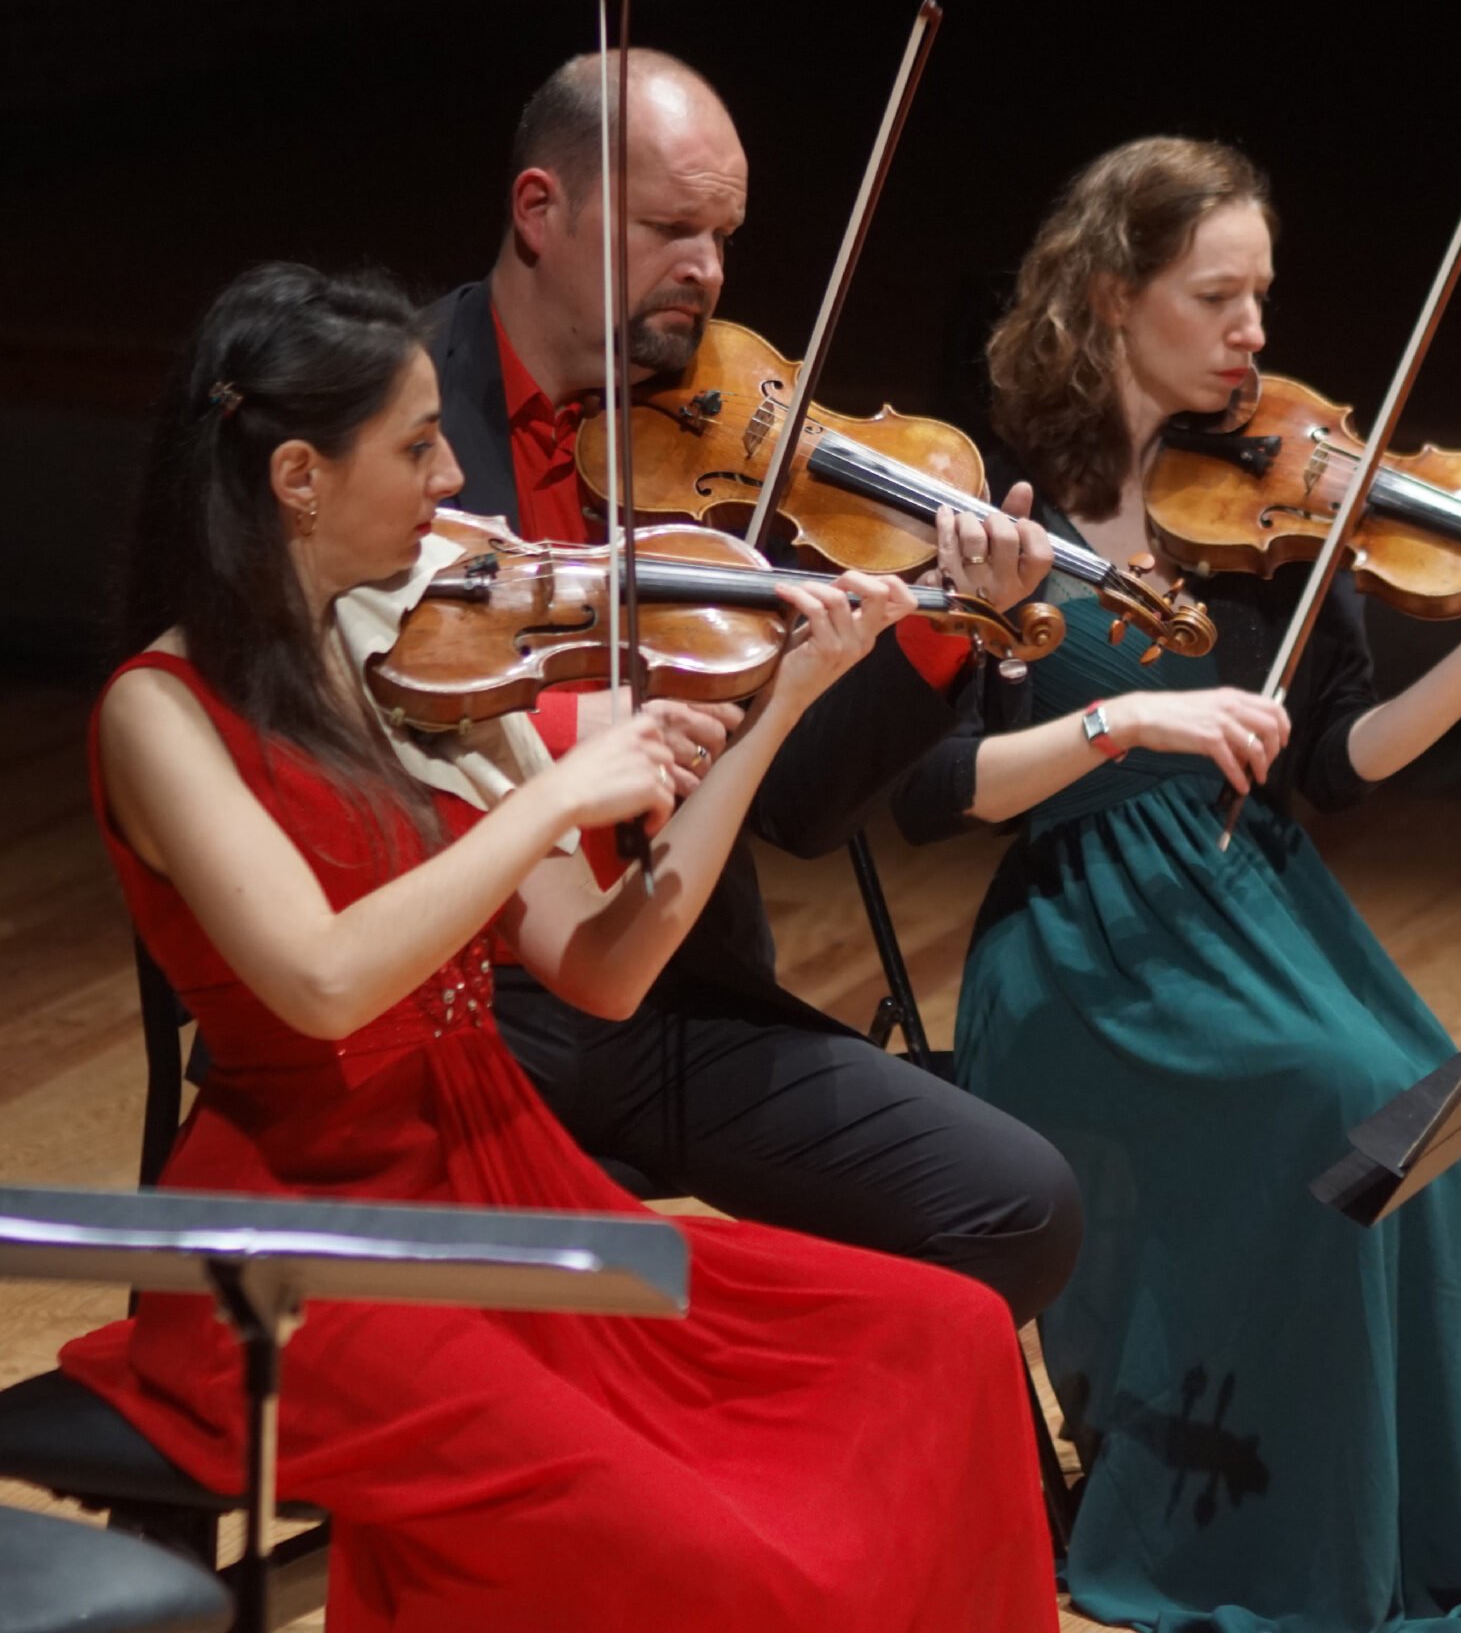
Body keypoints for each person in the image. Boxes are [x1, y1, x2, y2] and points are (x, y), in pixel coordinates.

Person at [62, 261, 1058, 1630]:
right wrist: (545, 794)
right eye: (415, 443)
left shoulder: (428, 667)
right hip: (310, 1240)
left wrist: (777, 707)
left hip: (505, 1174)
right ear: (297, 475)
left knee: (938, 1335)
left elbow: (601, 966)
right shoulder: (158, 711)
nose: (452, 469)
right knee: (711, 1551)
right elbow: (321, 979)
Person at [894, 136, 1461, 1633]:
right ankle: (1279, 1541)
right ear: (1115, 299)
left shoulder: (1278, 506)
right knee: (1333, 1109)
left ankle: (1418, 1532)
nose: (1258, 331)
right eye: (1219, 295)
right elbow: (937, 794)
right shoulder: (998, 509)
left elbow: (1338, 760)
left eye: (1264, 293)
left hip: (1260, 907)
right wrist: (1130, 718)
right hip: (1082, 940)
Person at [423, 47, 1079, 1324]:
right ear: (539, 210)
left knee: (1017, 1204)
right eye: (672, 227)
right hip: (473, 1004)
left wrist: (941, 631)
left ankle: (798, 1489)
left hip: (677, 988)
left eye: (722, 234)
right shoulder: (399, 418)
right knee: (591, 1300)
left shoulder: (732, 443)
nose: (709, 271)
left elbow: (804, 810)